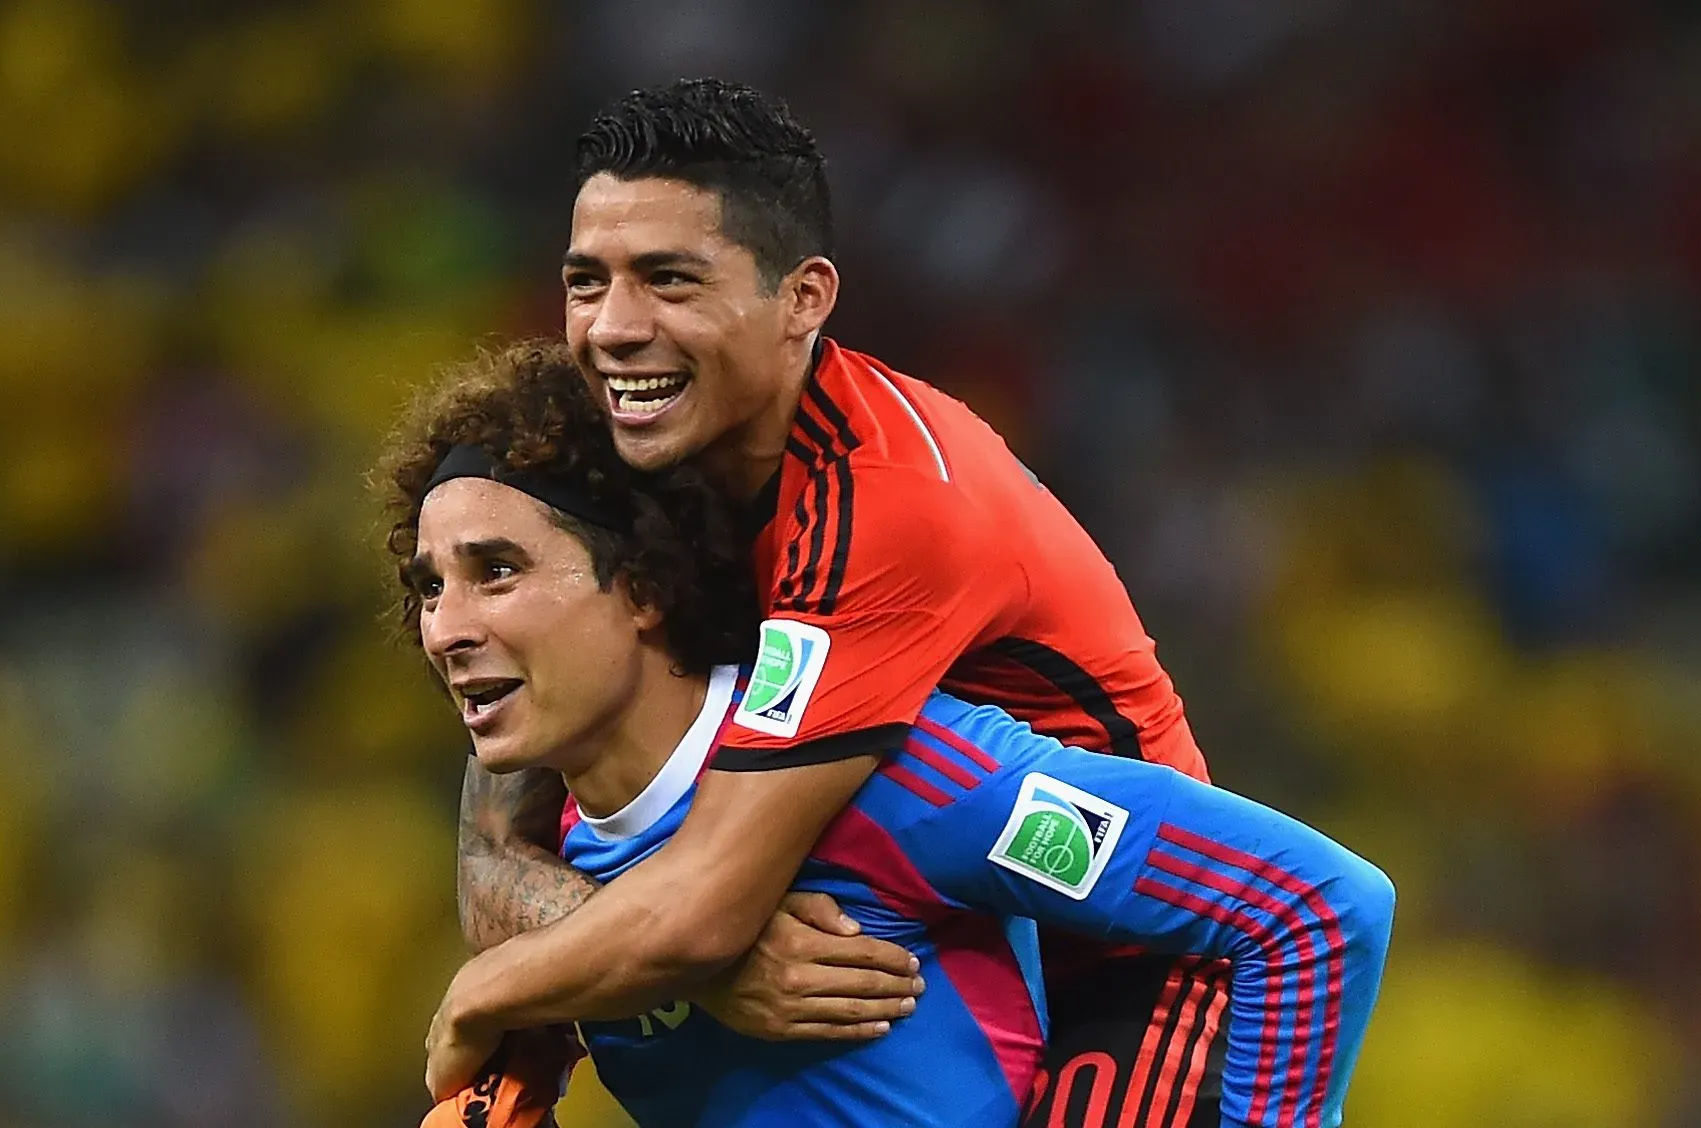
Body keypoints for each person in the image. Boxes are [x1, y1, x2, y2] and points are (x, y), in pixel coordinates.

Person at [434, 80, 1227, 1127]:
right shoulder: (653, 457)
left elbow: (698, 920)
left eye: (669, 280)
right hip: (897, 928)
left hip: (1121, 956)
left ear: (803, 299)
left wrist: (488, 993)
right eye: (588, 283)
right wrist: (670, 956)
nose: (614, 329)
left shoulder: (885, 508)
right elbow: (493, 849)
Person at [388, 343, 1392, 1128]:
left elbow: (1312, 906)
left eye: (498, 571)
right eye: (429, 587)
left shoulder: (888, 775)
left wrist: (490, 990)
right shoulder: (552, 858)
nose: (446, 628)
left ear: (642, 588)